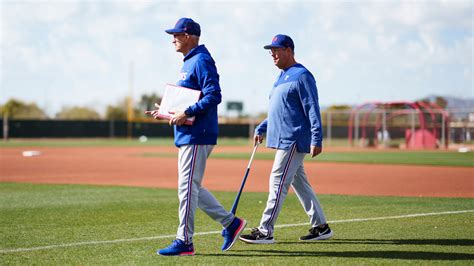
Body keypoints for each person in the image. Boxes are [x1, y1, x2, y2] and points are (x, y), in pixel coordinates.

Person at [145, 17, 246, 256]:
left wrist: (188, 111)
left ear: (189, 36)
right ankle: (231, 223)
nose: (173, 39)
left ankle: (185, 241)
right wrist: (166, 111)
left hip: (197, 133)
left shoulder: (201, 60)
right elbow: (189, 99)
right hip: (188, 133)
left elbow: (214, 95)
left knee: (187, 188)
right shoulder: (189, 62)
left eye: (177, 35)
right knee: (192, 188)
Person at [239, 34, 333, 244]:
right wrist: (263, 126)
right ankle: (321, 226)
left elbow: (312, 108)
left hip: (293, 138)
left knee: (277, 181)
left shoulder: (302, 75)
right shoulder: (282, 76)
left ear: (289, 50)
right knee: (300, 184)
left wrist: (317, 137)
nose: (272, 54)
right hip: (282, 138)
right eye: (270, 50)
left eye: (276, 49)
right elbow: (278, 111)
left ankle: (265, 231)